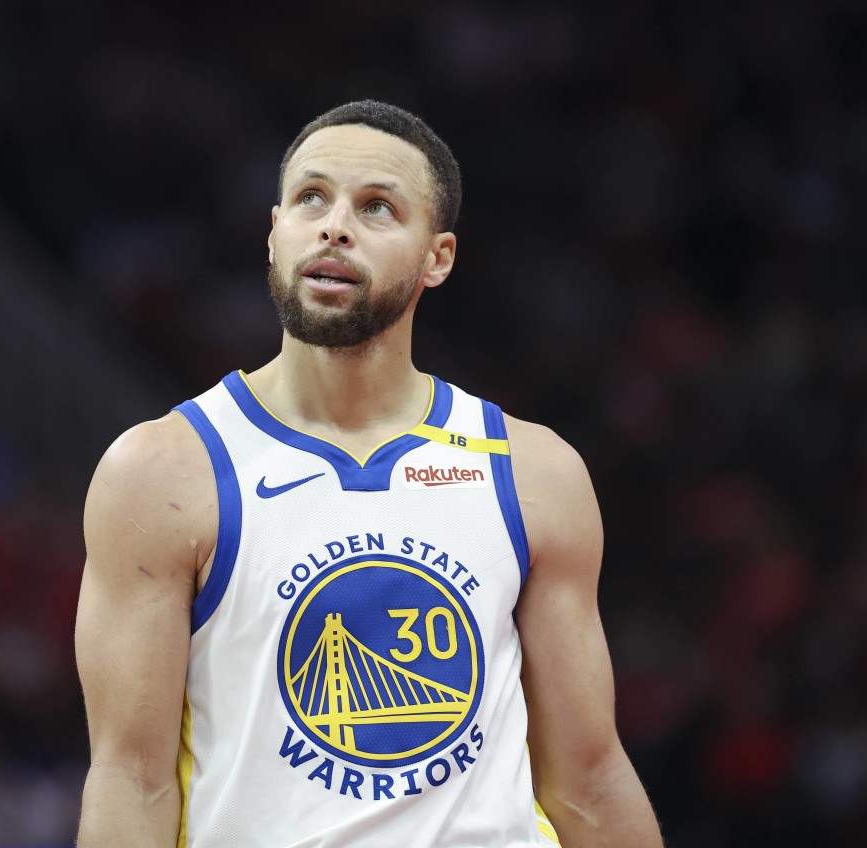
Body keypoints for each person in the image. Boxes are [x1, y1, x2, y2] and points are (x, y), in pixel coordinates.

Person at [75, 100, 663, 847]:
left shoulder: (533, 470)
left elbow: (588, 780)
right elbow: (133, 779)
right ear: (273, 233)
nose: (334, 225)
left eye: (377, 207)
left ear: (437, 257)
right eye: (309, 198)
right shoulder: (162, 471)